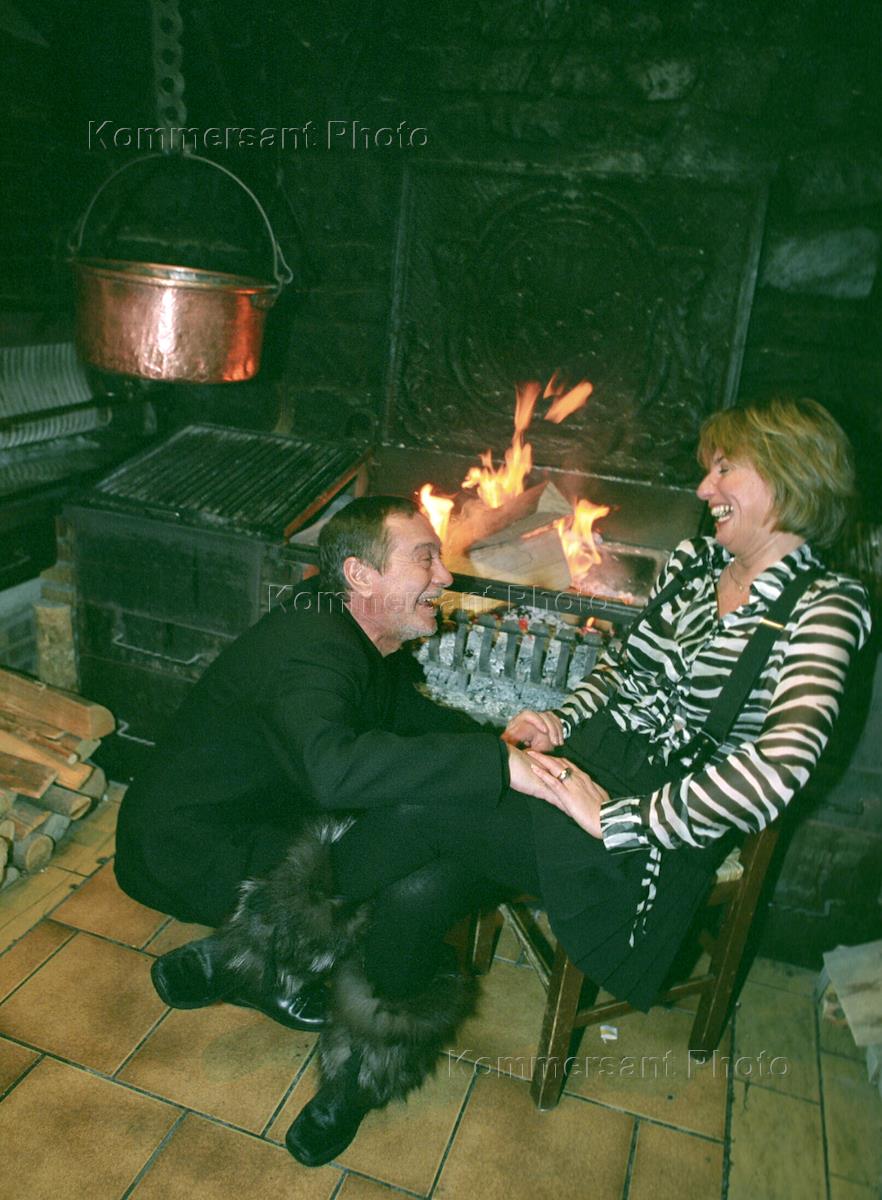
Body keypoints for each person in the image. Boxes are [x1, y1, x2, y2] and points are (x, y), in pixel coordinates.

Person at [151, 396, 871, 1169]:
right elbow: (624, 670)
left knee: (423, 806)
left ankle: (260, 948)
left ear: (790, 475)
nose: (704, 488)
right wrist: (560, 720)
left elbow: (781, 767)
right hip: (583, 769)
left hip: (653, 832)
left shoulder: (826, 609)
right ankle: (357, 1073)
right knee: (416, 890)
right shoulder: (698, 567)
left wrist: (616, 819)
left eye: (725, 469)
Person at [115, 495, 544, 1030]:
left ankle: (267, 952)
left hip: (245, 814)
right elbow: (333, 772)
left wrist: (501, 746)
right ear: (360, 575)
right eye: (425, 558)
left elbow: (399, 711)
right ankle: (265, 962)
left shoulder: (340, 618)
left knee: (415, 810)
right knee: (403, 840)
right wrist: (493, 763)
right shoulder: (315, 651)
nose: (444, 575)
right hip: (189, 849)